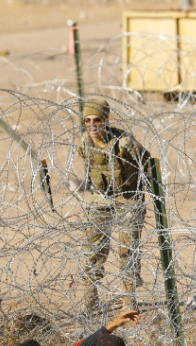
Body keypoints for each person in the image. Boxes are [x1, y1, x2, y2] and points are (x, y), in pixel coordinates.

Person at [75, 98, 151, 312]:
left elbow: (149, 164)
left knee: (127, 250)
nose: (92, 125)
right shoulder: (84, 142)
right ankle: (90, 297)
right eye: (87, 120)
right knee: (92, 248)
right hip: (102, 197)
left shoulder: (125, 143)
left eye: (97, 120)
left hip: (128, 198)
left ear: (105, 120)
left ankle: (129, 297)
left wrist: (147, 194)